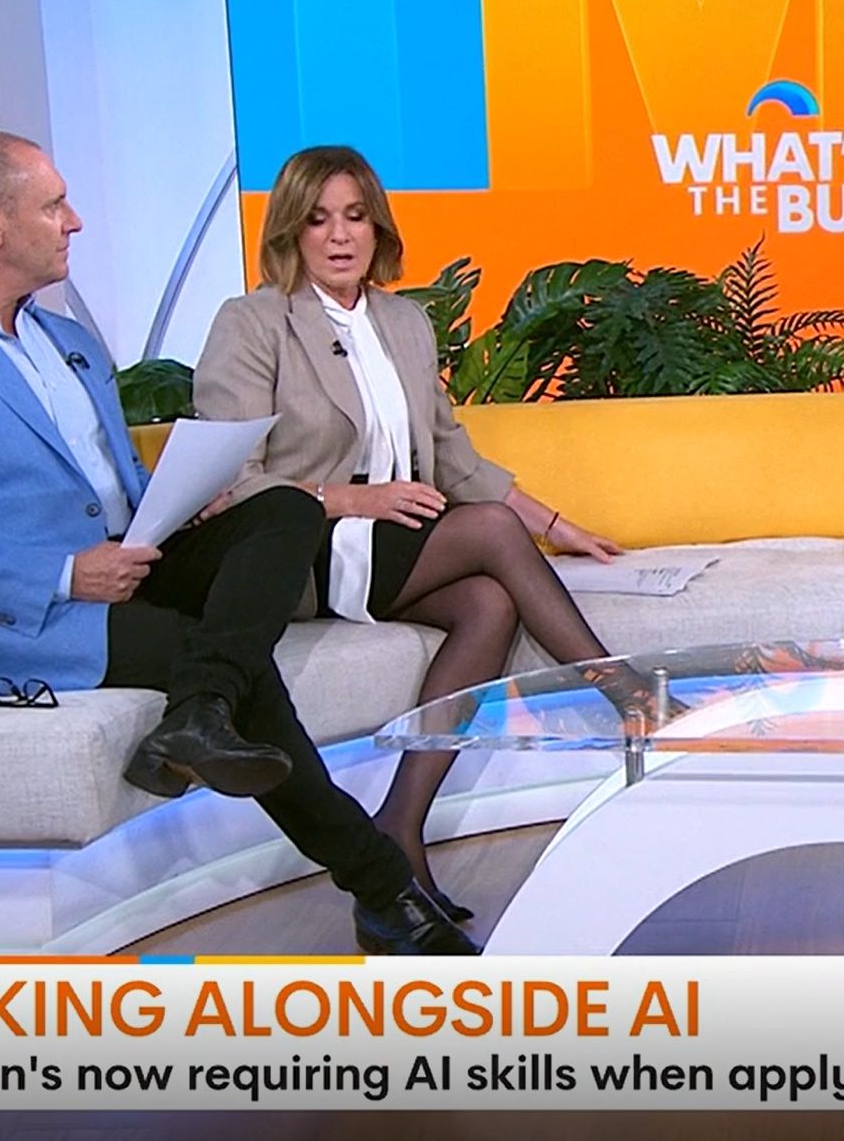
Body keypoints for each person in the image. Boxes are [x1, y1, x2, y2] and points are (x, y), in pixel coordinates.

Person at [0, 130, 474, 955]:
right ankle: (381, 885)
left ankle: (199, 713)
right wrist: (66, 573)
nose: (74, 221)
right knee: (220, 656)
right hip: (14, 614)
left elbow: (114, 482)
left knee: (285, 509)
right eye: (53, 205)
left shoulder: (63, 337)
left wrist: (185, 504)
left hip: (129, 560)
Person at [195, 144, 634, 921]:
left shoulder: (402, 321)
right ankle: (628, 698)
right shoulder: (253, 322)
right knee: (489, 531)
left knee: (488, 605)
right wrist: (350, 499)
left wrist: (560, 527)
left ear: (379, 227)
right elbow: (229, 480)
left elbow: (452, 453)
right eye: (318, 219)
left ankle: (399, 827)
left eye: (355, 216)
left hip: (398, 538)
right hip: (306, 543)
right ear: (290, 230)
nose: (339, 236)